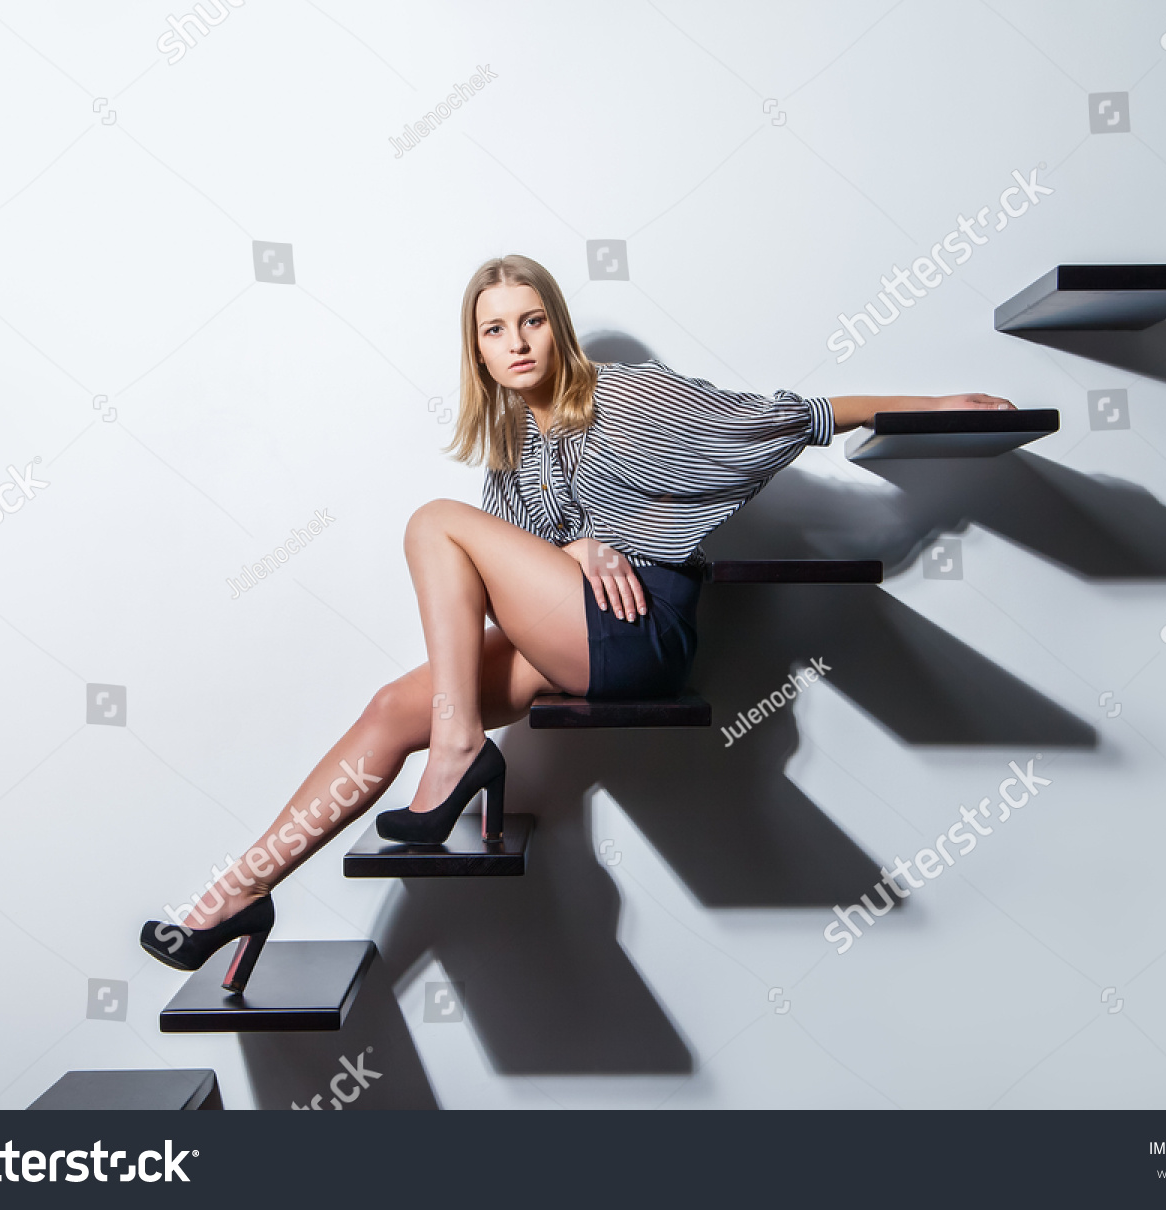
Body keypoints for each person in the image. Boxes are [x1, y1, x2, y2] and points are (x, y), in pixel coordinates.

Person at [139, 253, 1014, 991]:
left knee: (430, 522)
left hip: (642, 634)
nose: (514, 344)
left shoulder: (628, 398)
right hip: (575, 634)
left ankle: (455, 755)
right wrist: (574, 552)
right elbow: (509, 573)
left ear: (557, 326)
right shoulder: (516, 447)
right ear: (475, 351)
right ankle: (235, 896)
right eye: (493, 331)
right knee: (384, 709)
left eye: (530, 323)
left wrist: (931, 406)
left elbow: (783, 416)